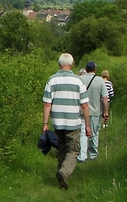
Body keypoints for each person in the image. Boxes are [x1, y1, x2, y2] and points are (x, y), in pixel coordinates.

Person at [42, 53, 92, 190]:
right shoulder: (78, 81)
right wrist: (87, 125)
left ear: (59, 64)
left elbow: (47, 104)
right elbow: (84, 106)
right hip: (73, 122)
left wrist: (45, 123)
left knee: (61, 149)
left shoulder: (51, 80)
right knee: (74, 150)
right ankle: (64, 173)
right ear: (72, 64)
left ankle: (61, 178)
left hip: (57, 122)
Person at [78, 61, 109, 162]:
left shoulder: (80, 79)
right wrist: (106, 112)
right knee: (94, 133)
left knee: (82, 133)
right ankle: (93, 154)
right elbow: (105, 98)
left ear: (86, 70)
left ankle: (82, 155)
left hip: (81, 110)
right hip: (95, 111)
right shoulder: (100, 80)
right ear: (95, 69)